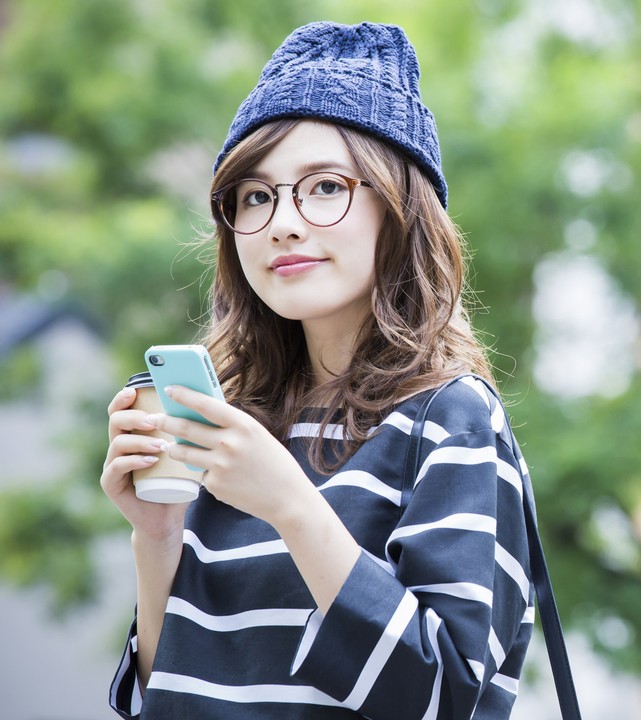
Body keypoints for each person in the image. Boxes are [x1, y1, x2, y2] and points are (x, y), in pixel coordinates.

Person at [101, 21, 534, 720]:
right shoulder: (230, 427)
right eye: (255, 195)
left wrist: (292, 505)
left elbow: (445, 701)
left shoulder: (450, 419)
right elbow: (172, 697)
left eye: (325, 187)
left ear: (400, 209)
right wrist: (156, 537)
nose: (282, 223)